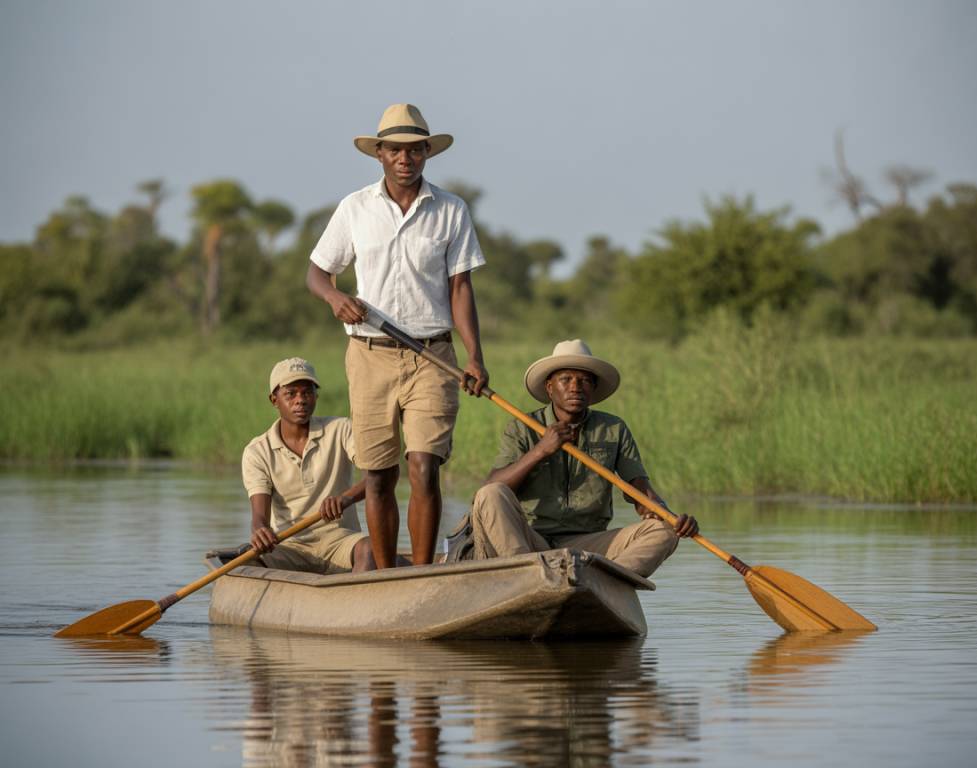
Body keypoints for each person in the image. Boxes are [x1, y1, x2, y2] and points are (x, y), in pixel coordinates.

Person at [306, 103, 488, 569]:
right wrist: (335, 299)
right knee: (379, 475)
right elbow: (317, 273)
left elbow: (460, 288)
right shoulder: (355, 208)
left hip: (434, 356)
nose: (404, 158)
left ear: (427, 153)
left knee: (424, 468)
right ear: (380, 154)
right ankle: (385, 580)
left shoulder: (451, 210)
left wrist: (475, 358)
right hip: (369, 353)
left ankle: (422, 573)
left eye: (414, 150)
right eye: (394, 150)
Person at [464, 340, 699, 578]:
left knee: (663, 531)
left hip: (589, 545)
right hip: (532, 542)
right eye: (566, 379)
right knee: (490, 495)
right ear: (549, 387)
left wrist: (669, 516)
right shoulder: (522, 427)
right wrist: (541, 451)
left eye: (584, 380)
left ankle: (604, 581)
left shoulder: (613, 428)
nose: (575, 387)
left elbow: (639, 489)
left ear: (593, 388)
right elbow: (490, 488)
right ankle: (527, 577)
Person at [243, 357, 375, 573]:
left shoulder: (341, 429)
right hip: (289, 546)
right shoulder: (257, 451)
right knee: (247, 560)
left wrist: (345, 499)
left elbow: (376, 478)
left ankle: (353, 601)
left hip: (340, 541)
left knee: (370, 548)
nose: (300, 400)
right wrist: (259, 531)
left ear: (316, 397)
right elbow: (259, 517)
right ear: (274, 400)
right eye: (291, 394)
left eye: (307, 393)